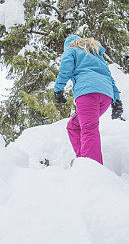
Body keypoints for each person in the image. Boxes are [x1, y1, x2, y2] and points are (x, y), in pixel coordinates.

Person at [53, 35, 123, 165]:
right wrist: (116, 101)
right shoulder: (97, 55)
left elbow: (65, 69)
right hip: (106, 96)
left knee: (89, 129)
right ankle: (83, 161)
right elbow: (109, 77)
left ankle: (92, 166)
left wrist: (58, 89)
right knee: (74, 126)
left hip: (88, 93)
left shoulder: (71, 49)